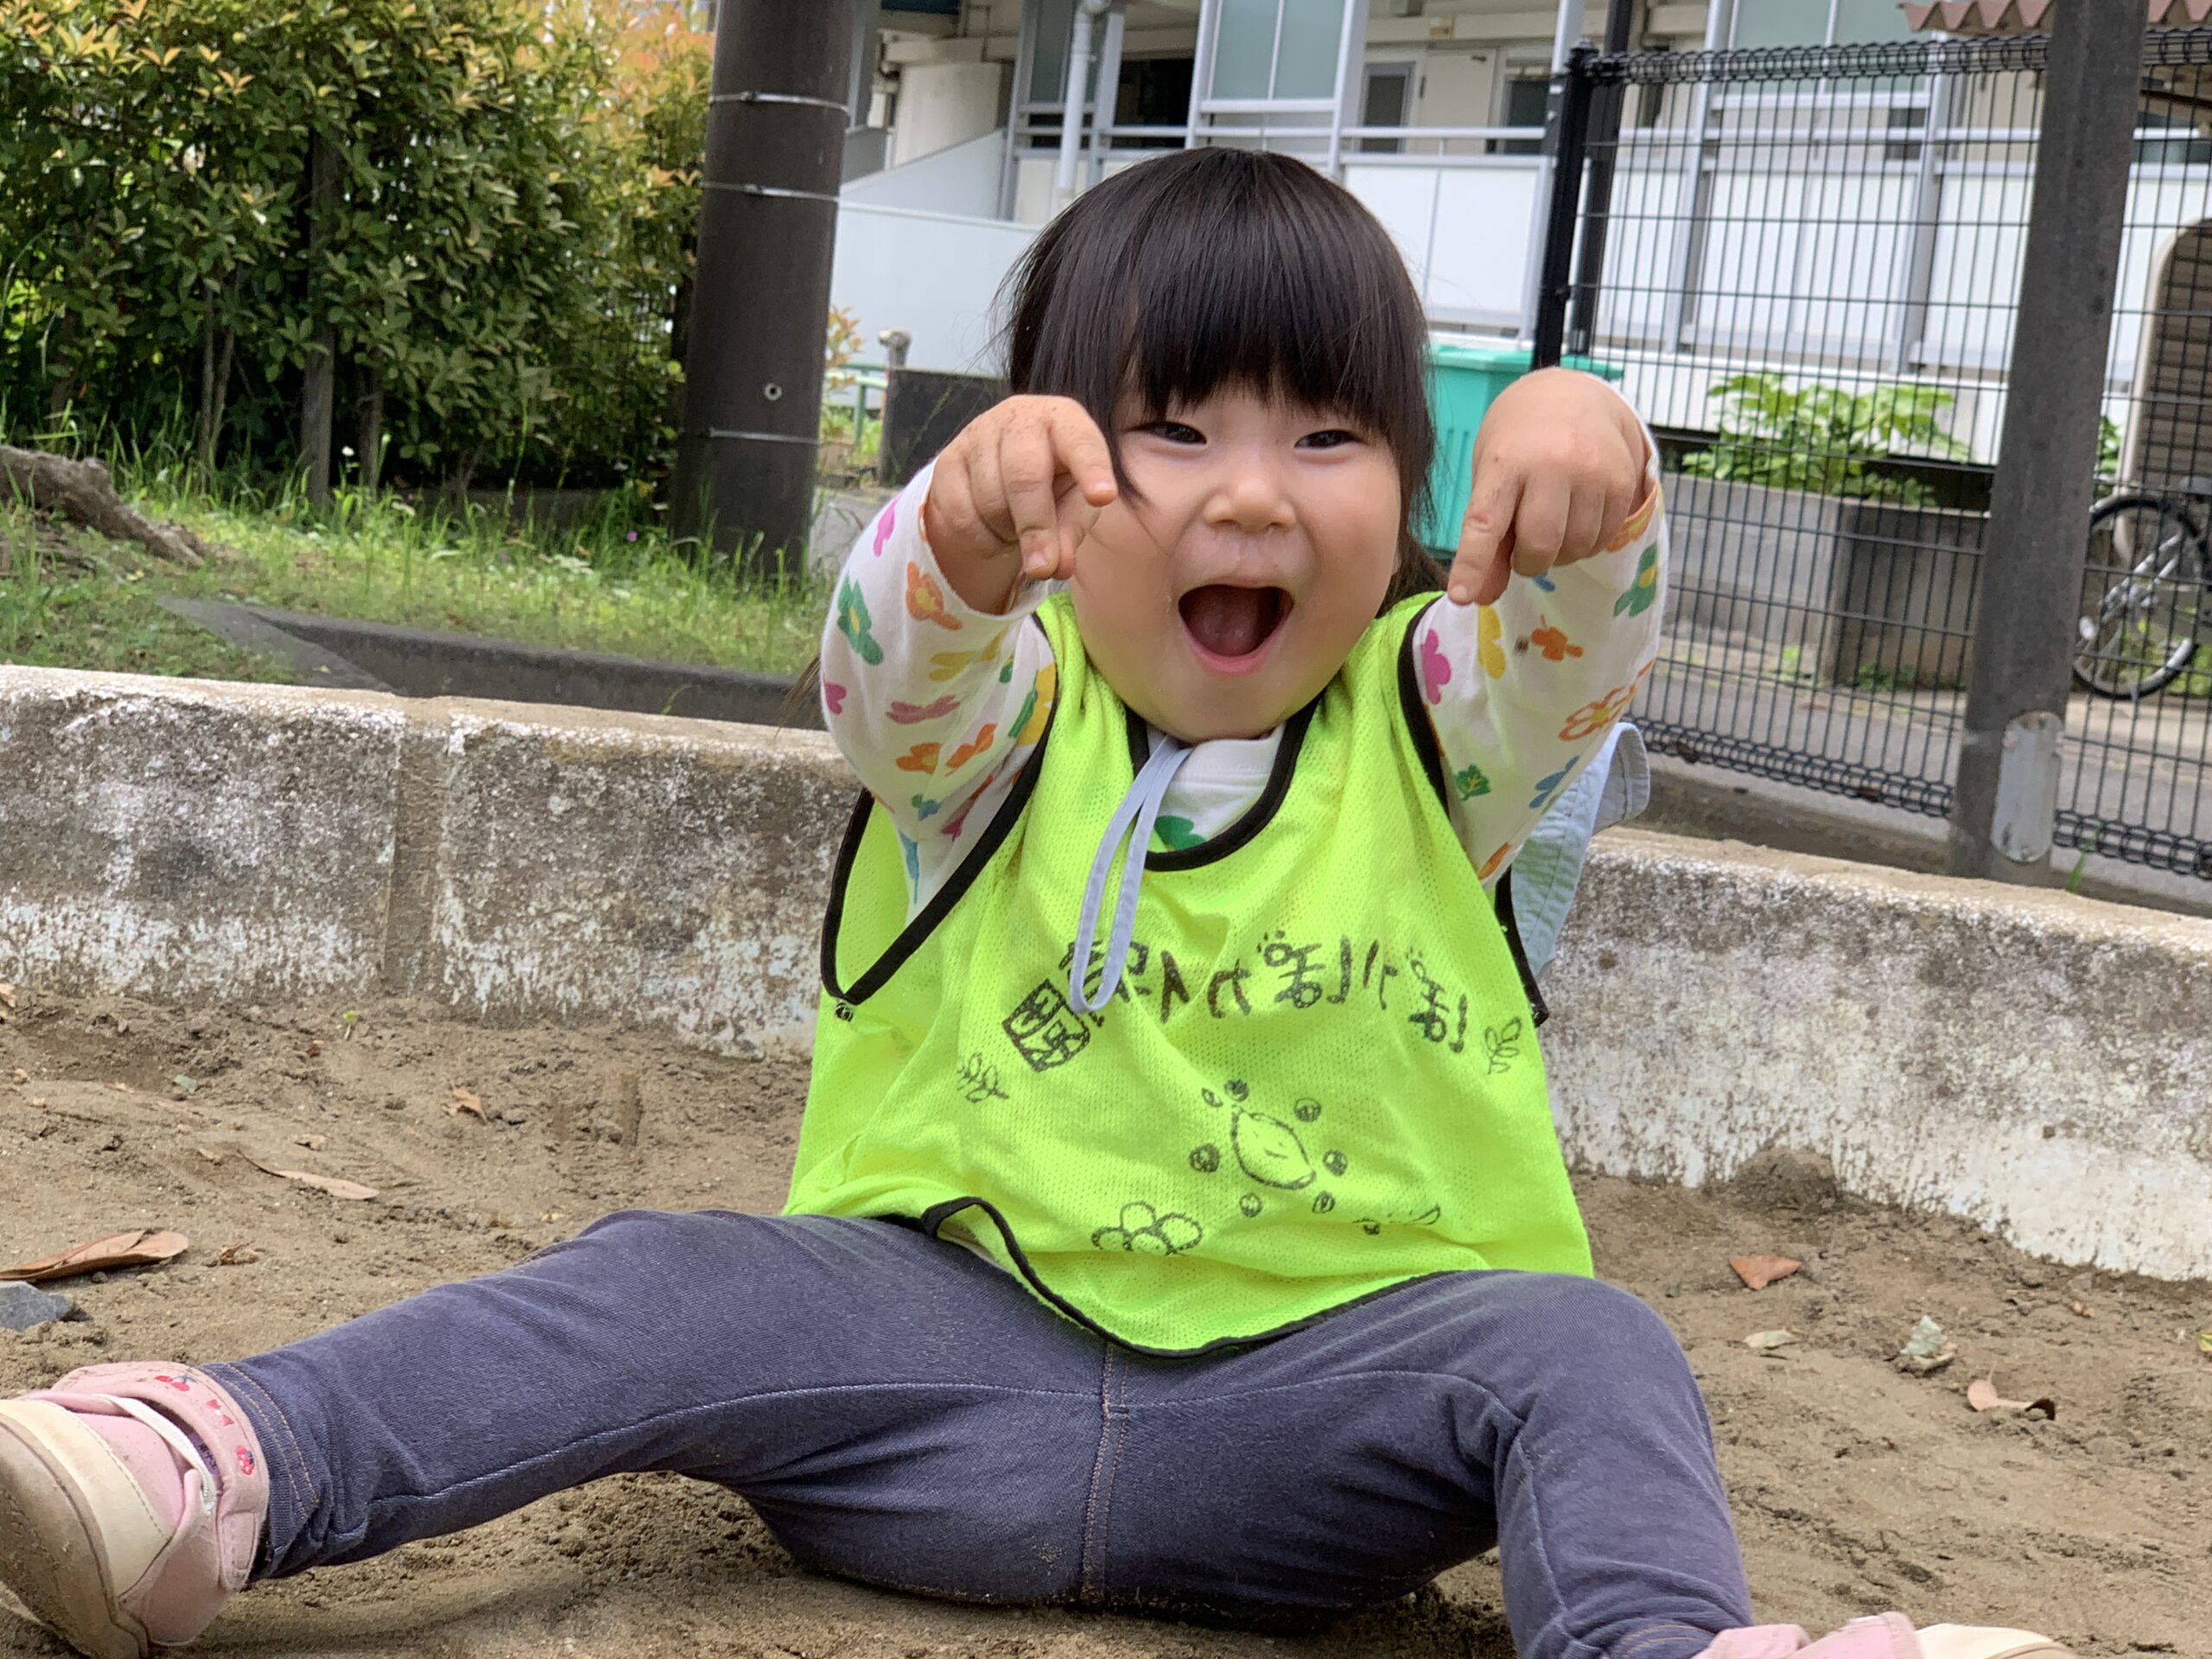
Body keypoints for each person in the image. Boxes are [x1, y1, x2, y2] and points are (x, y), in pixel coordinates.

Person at [0, 149, 2066, 1659]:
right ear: (1062, 484)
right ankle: (216, 1477)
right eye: (1169, 430)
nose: (1252, 491)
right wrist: (953, 539)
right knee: (672, 1276)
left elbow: (1567, 659)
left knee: (1586, 1347)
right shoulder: (994, 731)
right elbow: (880, 665)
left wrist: (1592, 463)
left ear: (1417, 504)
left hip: (1320, 1424)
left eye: (1332, 435)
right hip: (933, 1376)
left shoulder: (1445, 744)